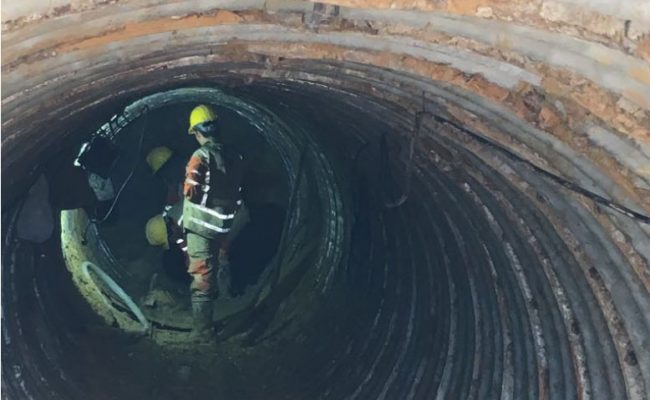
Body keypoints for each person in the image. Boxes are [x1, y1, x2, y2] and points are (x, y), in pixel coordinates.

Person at [182, 104, 245, 340]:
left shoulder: (201, 156)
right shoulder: (234, 155)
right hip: (223, 224)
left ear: (198, 132)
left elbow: (190, 191)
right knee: (216, 265)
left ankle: (203, 330)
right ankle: (227, 298)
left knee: (201, 276)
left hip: (200, 226)